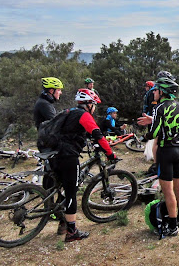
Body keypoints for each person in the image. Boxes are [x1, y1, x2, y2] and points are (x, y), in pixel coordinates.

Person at [55, 88, 117, 242]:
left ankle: (61, 222)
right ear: (89, 104)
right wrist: (111, 154)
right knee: (71, 192)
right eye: (94, 104)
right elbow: (98, 135)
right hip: (68, 156)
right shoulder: (84, 115)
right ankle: (71, 232)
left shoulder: (67, 112)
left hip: (54, 154)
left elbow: (72, 132)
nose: (94, 108)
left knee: (61, 189)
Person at [137, 77, 179, 238]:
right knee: (178, 186)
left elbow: (156, 132)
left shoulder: (159, 108)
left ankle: (172, 226)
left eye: (156, 90)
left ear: (162, 91)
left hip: (166, 151)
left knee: (168, 190)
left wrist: (144, 137)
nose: (154, 93)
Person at [34, 77, 63, 149]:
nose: (60, 92)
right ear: (51, 91)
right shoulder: (44, 104)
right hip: (47, 143)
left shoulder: (45, 102)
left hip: (46, 140)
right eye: (59, 90)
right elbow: (55, 122)